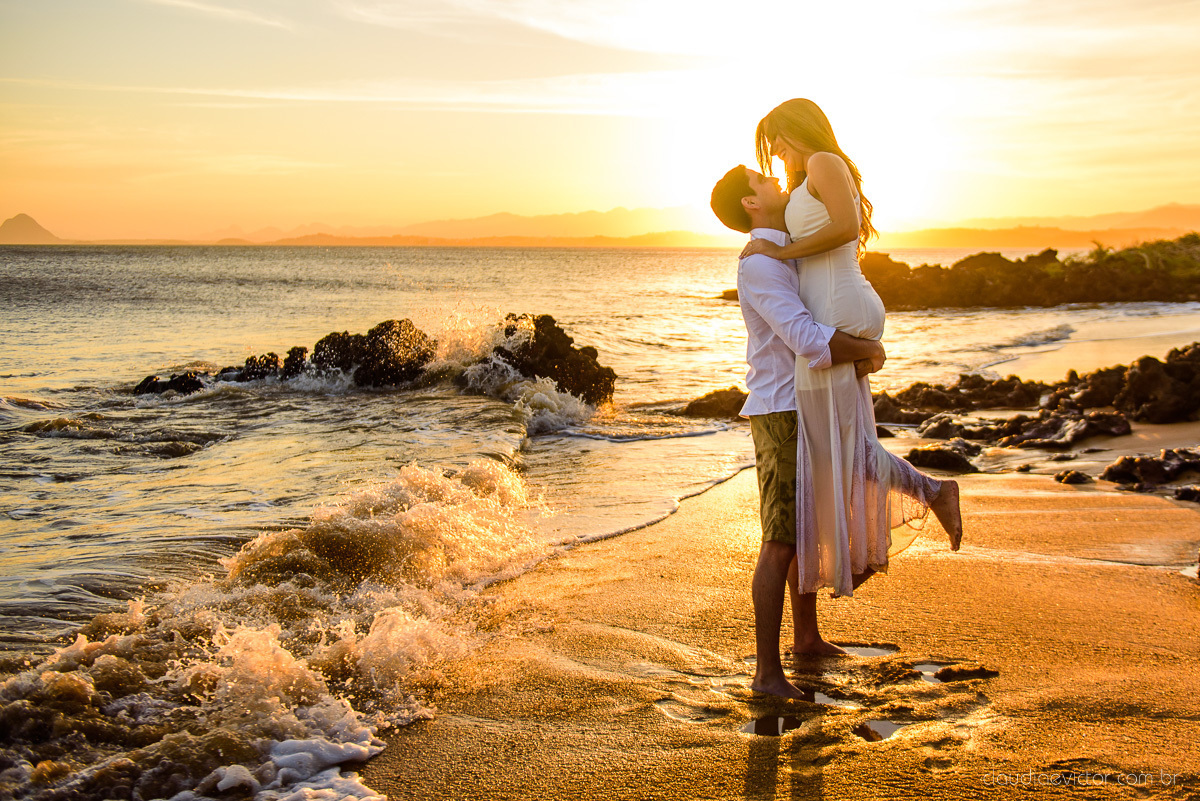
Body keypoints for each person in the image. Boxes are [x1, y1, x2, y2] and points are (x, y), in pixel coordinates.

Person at [739, 98, 963, 604]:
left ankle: (923, 499)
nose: (774, 152)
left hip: (839, 306)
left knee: (841, 448)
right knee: (843, 446)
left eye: (776, 138)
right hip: (833, 312)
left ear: (798, 129)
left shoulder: (823, 161)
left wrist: (780, 250)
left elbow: (845, 229)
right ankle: (920, 500)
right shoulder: (805, 178)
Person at [710, 164, 887, 698]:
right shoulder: (761, 267)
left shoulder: (784, 250)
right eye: (767, 180)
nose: (780, 183)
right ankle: (767, 673)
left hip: (802, 403)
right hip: (782, 410)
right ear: (751, 203)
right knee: (780, 537)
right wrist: (868, 350)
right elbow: (806, 338)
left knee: (803, 525)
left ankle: (806, 638)